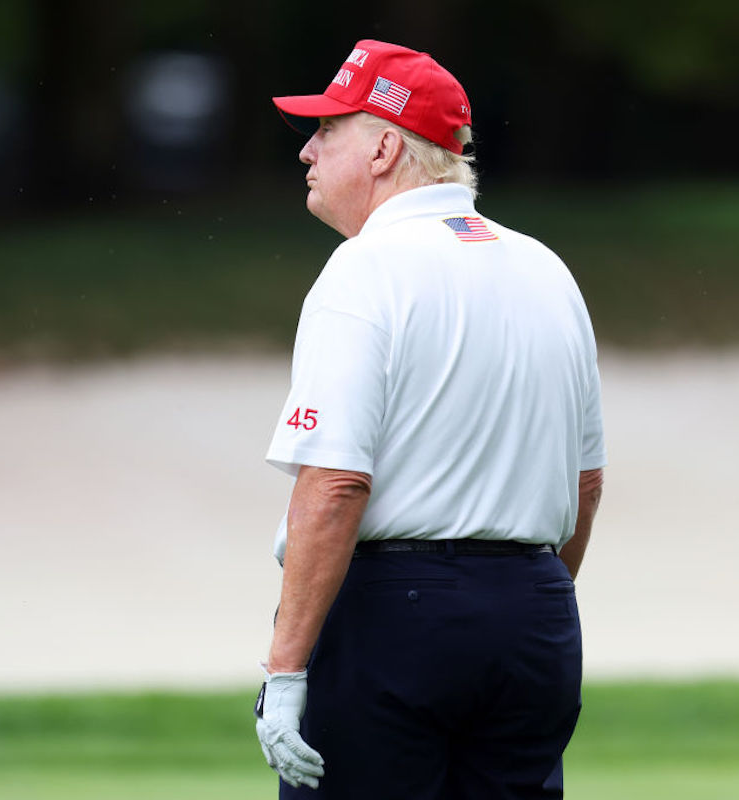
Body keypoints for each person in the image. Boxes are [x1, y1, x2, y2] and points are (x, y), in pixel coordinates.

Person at [252, 40, 606, 799]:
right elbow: (587, 483)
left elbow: (337, 482)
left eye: (328, 130)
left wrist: (285, 671)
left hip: (393, 616)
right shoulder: (546, 268)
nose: (308, 151)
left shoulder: (366, 269)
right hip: (536, 616)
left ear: (383, 146)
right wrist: (516, 603)